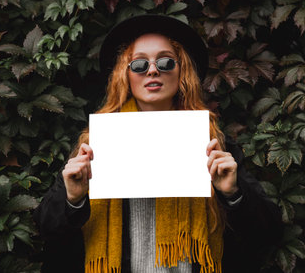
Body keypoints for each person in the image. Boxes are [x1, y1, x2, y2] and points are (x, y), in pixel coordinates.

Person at [33, 15, 283, 273]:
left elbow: (268, 233)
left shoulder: (213, 145)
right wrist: (72, 198)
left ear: (181, 70)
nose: (153, 70)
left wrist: (233, 194)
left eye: (165, 61)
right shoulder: (96, 145)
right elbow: (47, 229)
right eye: (139, 64)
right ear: (125, 74)